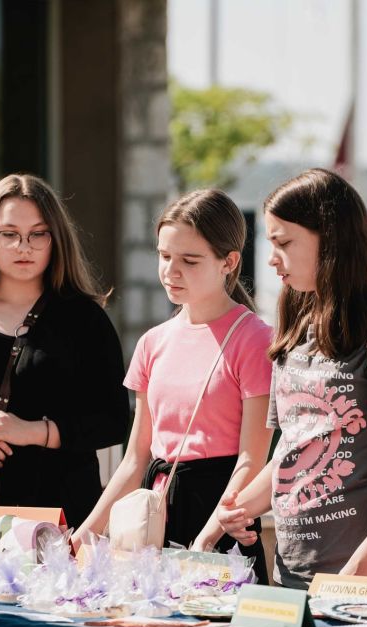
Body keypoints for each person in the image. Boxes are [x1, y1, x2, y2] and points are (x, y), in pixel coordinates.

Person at [213, 168, 367, 589]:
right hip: (292, 573)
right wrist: (239, 509)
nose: (271, 258)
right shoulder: (295, 325)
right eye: (271, 242)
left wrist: (359, 570)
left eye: (284, 242)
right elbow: (294, 448)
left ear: (331, 240)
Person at [71, 188, 274, 580]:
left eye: (189, 260)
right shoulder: (152, 342)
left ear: (228, 261)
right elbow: (135, 458)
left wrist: (209, 536)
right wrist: (83, 536)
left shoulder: (254, 338)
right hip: (154, 514)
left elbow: (253, 459)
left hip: (222, 510)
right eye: (165, 256)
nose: (170, 271)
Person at [0, 174, 128, 530]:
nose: (23, 246)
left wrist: (32, 432)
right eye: (9, 234)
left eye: (38, 233)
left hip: (62, 518)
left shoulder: (85, 319)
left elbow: (114, 421)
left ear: (55, 238)